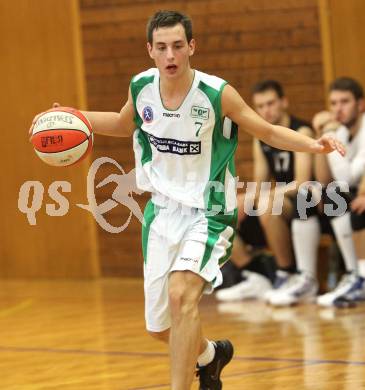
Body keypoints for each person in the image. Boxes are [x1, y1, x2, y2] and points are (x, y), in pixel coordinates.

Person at [29, 10, 344, 390]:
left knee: (182, 297)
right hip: (161, 214)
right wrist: (72, 116)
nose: (170, 55)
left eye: (178, 45)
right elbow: (120, 122)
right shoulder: (141, 88)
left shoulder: (216, 93)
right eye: (161, 47)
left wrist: (313, 143)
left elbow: (266, 130)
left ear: (191, 46)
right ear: (150, 50)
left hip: (208, 211)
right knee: (160, 328)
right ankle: (211, 355)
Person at [216, 80, 315, 304]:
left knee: (266, 204)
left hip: (306, 201)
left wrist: (267, 195)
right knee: (222, 209)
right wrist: (242, 201)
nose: (266, 110)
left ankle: (286, 274)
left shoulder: (301, 130)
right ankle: (254, 275)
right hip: (277, 199)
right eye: (260, 106)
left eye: (270, 103)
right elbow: (259, 183)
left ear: (284, 102)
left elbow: (302, 181)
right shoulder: (260, 138)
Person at [271, 77, 365, 307]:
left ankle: (357, 276)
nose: (338, 109)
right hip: (349, 197)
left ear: (360, 104)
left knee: (337, 197)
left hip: (356, 199)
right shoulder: (340, 132)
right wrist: (324, 136)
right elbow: (324, 179)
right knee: (307, 197)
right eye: (333, 103)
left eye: (345, 102)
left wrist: (330, 134)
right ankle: (307, 279)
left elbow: (348, 177)